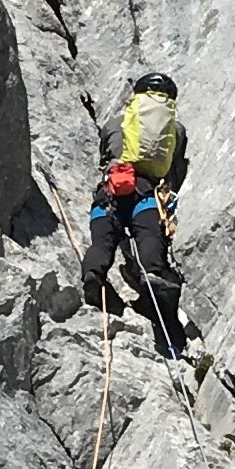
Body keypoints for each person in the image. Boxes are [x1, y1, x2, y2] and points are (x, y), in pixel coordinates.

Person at [83, 69, 190, 361]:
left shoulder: (115, 123)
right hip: (148, 194)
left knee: (103, 241)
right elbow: (175, 170)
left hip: (111, 191)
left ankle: (94, 274)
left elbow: (104, 156)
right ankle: (152, 276)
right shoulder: (176, 130)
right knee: (150, 237)